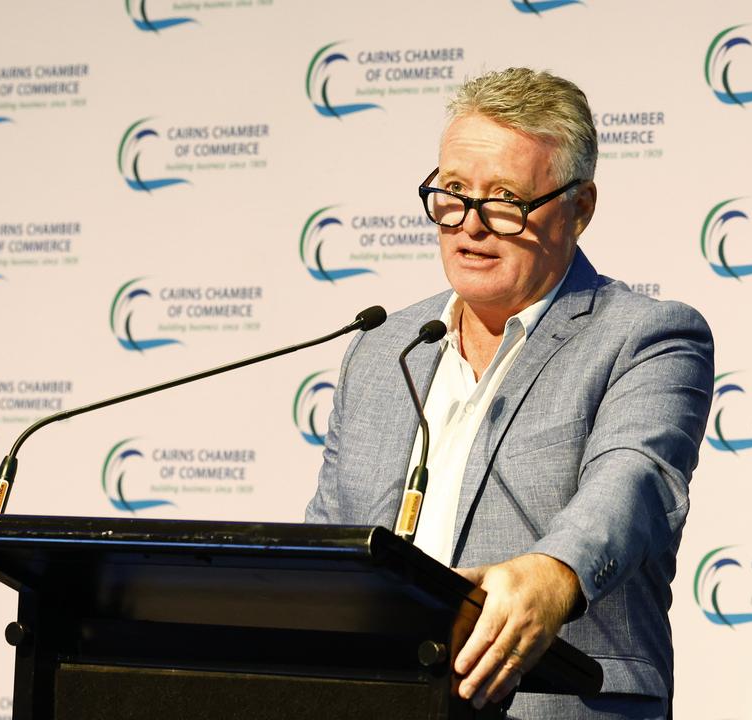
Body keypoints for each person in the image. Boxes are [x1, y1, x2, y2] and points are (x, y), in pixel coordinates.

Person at [305, 68, 713, 720]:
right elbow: (332, 534)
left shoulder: (647, 338)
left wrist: (554, 571)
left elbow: (632, 483)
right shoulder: (384, 346)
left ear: (580, 208)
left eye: (503, 199)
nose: (470, 225)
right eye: (453, 192)